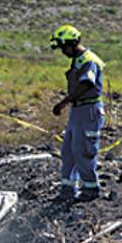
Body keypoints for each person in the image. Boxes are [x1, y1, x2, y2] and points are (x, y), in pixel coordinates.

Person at [49, 24, 105, 203]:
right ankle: (68, 189)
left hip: (89, 110)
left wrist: (63, 102)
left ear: (71, 43)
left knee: (83, 150)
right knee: (68, 151)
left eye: (63, 48)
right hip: (78, 111)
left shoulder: (89, 60)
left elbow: (86, 84)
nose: (63, 52)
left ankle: (91, 189)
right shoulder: (77, 60)